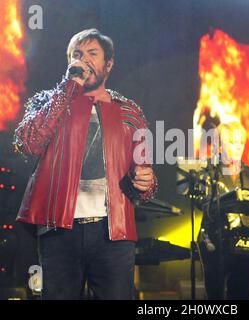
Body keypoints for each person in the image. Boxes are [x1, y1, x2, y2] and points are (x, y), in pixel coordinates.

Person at [13, 29, 157, 300]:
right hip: (58, 230)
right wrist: (69, 87)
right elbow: (28, 143)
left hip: (112, 233)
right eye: (77, 55)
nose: (84, 60)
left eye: (92, 54)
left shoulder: (129, 111)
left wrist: (145, 181)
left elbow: (146, 182)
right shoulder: (48, 101)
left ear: (109, 64)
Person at [197, 121, 249, 300]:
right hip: (214, 241)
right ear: (218, 146)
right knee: (214, 296)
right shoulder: (208, 171)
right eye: (232, 141)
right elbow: (201, 202)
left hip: (245, 242)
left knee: (241, 292)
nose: (238, 146)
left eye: (241, 142)